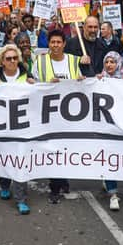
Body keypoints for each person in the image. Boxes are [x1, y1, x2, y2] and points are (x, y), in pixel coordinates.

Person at [33, 30, 83, 204]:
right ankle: (55, 187)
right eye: (52, 42)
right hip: (49, 114)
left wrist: (81, 79)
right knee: (53, 150)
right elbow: (34, 86)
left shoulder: (73, 60)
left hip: (69, 115)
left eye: (58, 42)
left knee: (66, 148)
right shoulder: (40, 62)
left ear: (64, 44)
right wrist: (47, 84)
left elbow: (80, 82)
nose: (55, 45)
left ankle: (63, 179)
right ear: (49, 44)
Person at [0, 44, 36, 215]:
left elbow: (37, 96)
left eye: (15, 58)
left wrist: (35, 84)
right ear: (2, 60)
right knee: (4, 156)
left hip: (22, 125)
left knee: (19, 161)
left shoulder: (26, 74)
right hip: (2, 125)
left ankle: (21, 199)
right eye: (8, 58)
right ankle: (4, 185)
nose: (12, 61)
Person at [97, 51, 123, 211]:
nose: (109, 65)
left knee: (117, 159)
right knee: (109, 159)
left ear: (118, 64)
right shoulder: (98, 80)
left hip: (120, 127)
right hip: (103, 126)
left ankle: (107, 182)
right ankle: (113, 194)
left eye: (112, 62)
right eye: (106, 62)